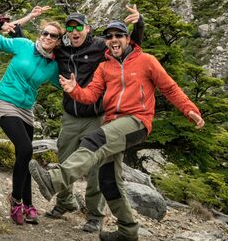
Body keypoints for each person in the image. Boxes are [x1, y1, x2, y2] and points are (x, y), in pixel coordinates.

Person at [29, 21, 205, 241]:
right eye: (110, 37)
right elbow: (91, 95)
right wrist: (75, 90)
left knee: (95, 139)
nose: (114, 40)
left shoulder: (146, 61)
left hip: (137, 121)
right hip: (112, 123)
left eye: (118, 35)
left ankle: (54, 180)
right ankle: (128, 231)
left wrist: (189, 109)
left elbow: (169, 87)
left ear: (127, 38)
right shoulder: (105, 67)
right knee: (109, 179)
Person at [50, 7, 145, 233]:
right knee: (65, 159)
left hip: (96, 115)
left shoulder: (100, 46)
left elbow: (129, 47)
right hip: (70, 115)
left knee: (95, 165)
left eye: (79, 27)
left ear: (87, 29)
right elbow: (40, 46)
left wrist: (139, 24)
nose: (74, 31)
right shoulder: (61, 49)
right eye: (70, 27)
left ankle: (94, 215)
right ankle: (65, 202)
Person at [0, 16, 60, 225]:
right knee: (24, 148)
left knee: (26, 156)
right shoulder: (23, 45)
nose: (47, 37)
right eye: (45, 33)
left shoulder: (53, 66)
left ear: (58, 41)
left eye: (53, 35)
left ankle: (28, 204)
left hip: (26, 108)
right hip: (5, 100)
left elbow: (67, 84)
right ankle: (15, 200)